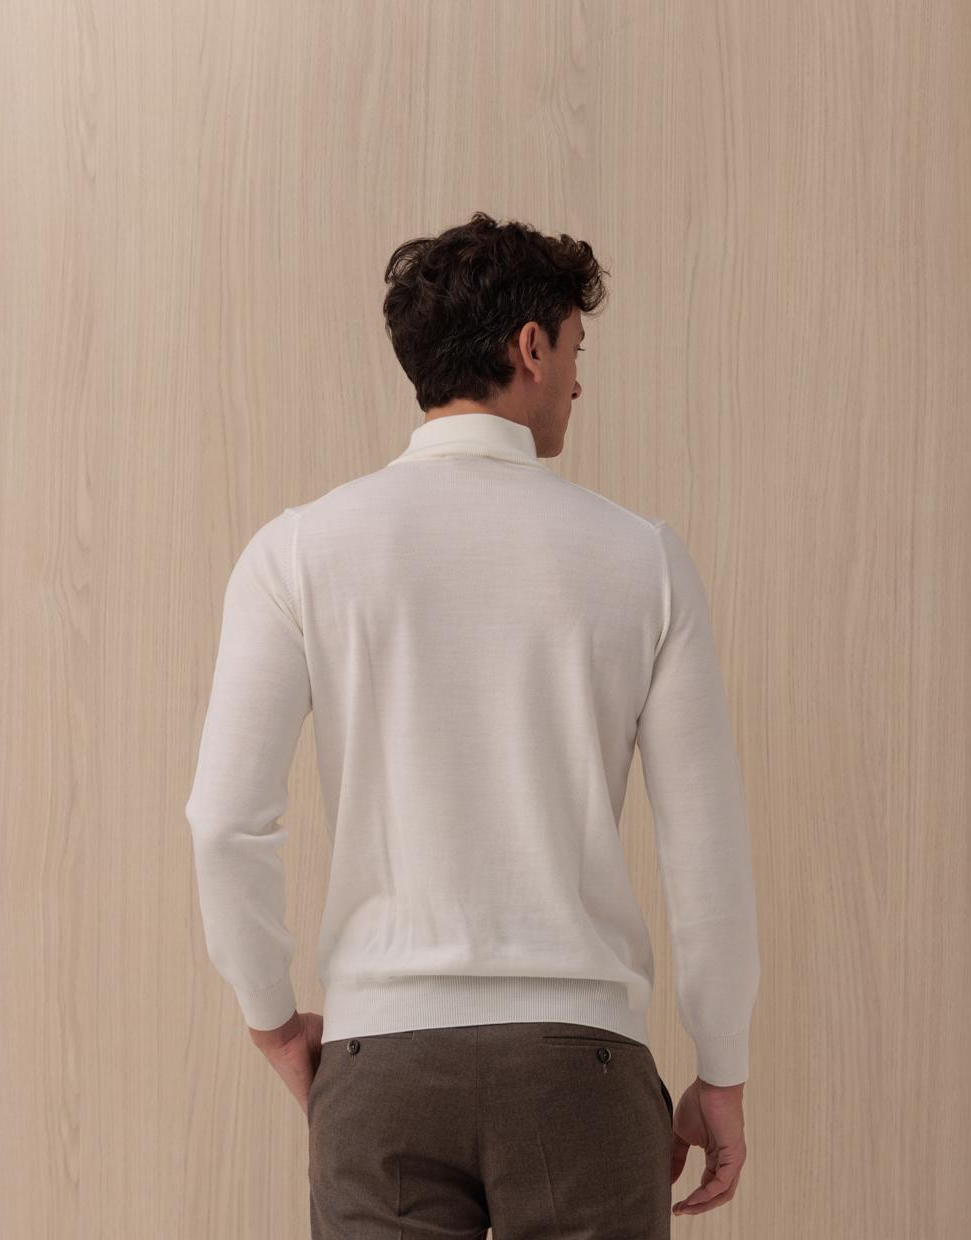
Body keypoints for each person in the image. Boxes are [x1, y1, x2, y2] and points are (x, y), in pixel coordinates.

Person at [185, 210, 760, 1238]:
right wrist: (720, 1066)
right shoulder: (642, 560)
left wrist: (272, 1019)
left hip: (380, 1068)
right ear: (530, 347)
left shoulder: (298, 552)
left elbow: (225, 821)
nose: (577, 383)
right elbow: (704, 849)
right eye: (574, 350)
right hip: (583, 1071)